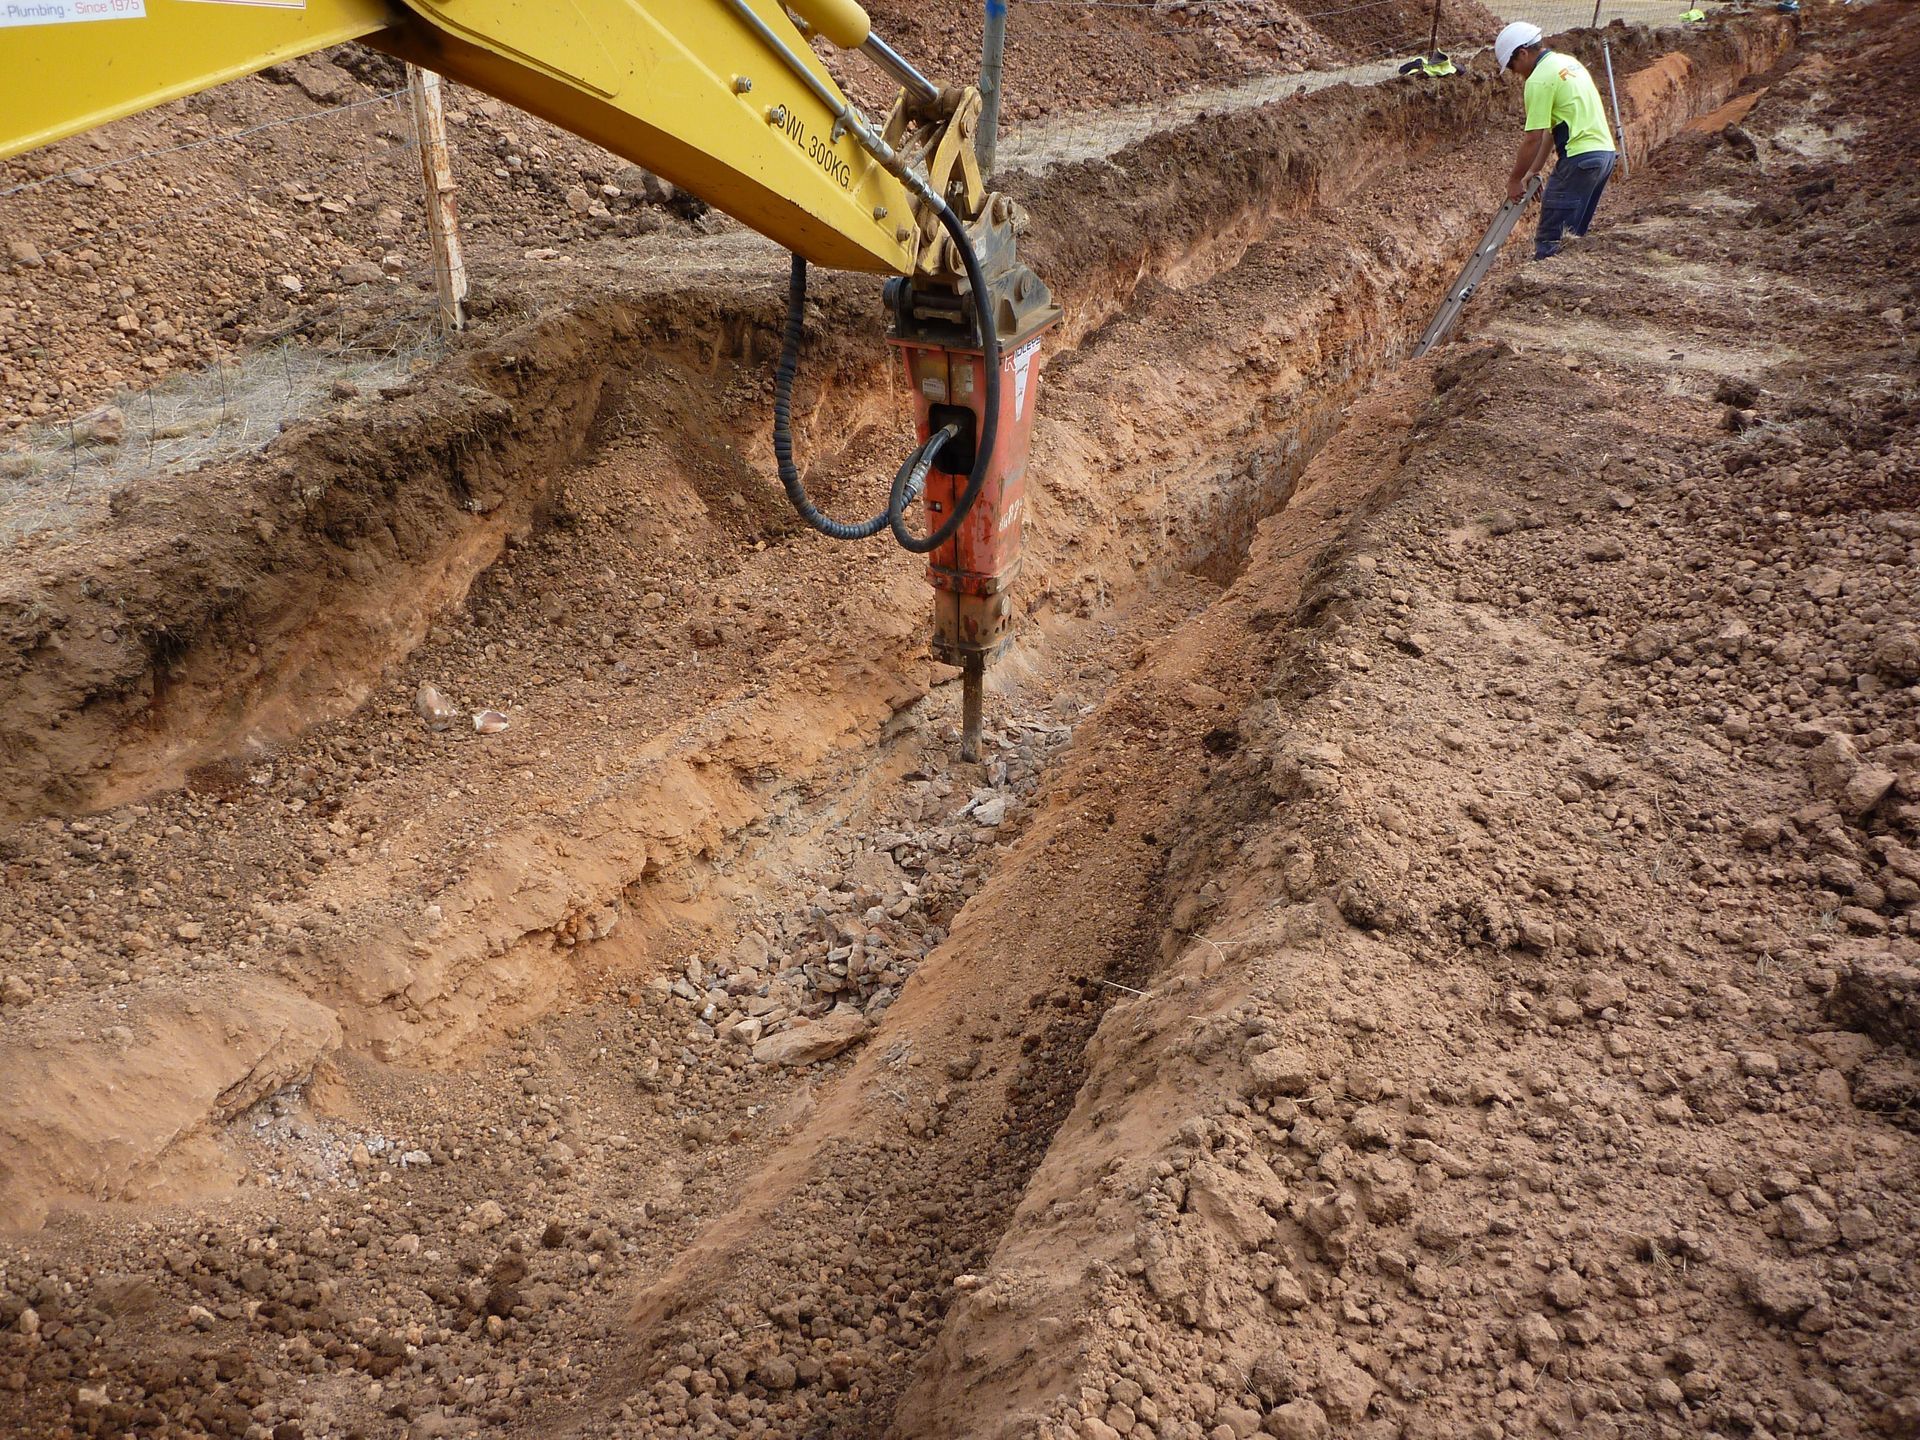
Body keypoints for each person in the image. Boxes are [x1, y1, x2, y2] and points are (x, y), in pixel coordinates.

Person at [1494, 21, 1618, 260]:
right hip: (1603, 156)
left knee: (1551, 238)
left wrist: (1514, 180)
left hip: (1580, 159)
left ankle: (1542, 293)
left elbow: (1533, 138)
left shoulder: (1539, 79)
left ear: (1522, 53)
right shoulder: (1568, 63)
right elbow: (1552, 131)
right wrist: (1534, 170)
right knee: (1572, 236)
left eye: (1512, 65)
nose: (1514, 73)